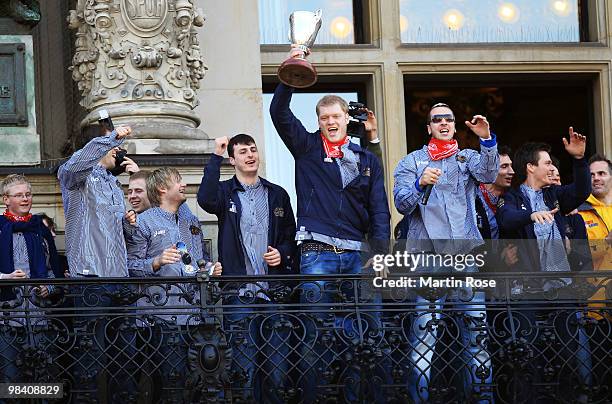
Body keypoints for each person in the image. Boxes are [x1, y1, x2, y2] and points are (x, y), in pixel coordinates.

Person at [270, 48, 391, 402]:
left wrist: (381, 254)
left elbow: (379, 209)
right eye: (325, 118)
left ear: (345, 119)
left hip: (359, 257)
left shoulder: (366, 157)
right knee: (315, 336)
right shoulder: (306, 147)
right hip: (317, 253)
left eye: (336, 116)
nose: (331, 122)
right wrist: (292, 70)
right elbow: (278, 112)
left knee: (367, 336)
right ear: (319, 121)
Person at [393, 102, 499, 403]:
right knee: (424, 341)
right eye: (436, 119)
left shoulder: (467, 158)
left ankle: (480, 400)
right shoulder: (412, 161)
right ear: (428, 127)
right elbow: (401, 204)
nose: (443, 123)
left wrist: (487, 139)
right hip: (428, 260)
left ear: (454, 126)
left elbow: (490, 174)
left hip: (465, 257)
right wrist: (419, 183)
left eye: (448, 119)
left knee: (476, 337)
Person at [197, 134, 296, 403]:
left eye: (253, 149)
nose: (250, 155)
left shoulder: (278, 194)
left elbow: (290, 235)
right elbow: (205, 199)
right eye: (242, 152)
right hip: (238, 295)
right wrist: (215, 157)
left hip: (273, 294)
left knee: (277, 371)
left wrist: (283, 253)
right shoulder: (225, 192)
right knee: (244, 370)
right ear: (233, 159)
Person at [496, 129, 591, 403]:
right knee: (525, 355)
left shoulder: (556, 195)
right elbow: (506, 218)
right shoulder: (514, 196)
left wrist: (580, 159)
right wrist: (530, 215)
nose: (551, 167)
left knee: (568, 353)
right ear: (530, 167)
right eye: (547, 163)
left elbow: (582, 190)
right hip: (527, 289)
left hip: (561, 287)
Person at [57, 125, 140, 399]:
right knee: (90, 357)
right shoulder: (76, 176)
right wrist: (108, 139)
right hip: (90, 277)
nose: (116, 148)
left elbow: (119, 231)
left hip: (120, 277)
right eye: (109, 142)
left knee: (125, 359)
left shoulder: (113, 183)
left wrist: (128, 223)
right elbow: (74, 166)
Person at [128, 167, 222, 401]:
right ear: (162, 188)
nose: (184, 185)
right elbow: (130, 266)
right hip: (161, 317)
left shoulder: (190, 219)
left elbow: (196, 261)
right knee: (171, 382)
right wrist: (157, 262)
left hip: (196, 315)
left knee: (198, 381)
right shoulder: (144, 222)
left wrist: (210, 268)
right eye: (178, 181)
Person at [0, 174, 63, 383]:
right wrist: (4, 276)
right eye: (19, 195)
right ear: (5, 199)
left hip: (39, 315)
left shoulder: (40, 229)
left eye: (28, 194)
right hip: (6, 316)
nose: (25, 199)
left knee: (43, 375)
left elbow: (53, 268)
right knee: (10, 377)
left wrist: (49, 287)